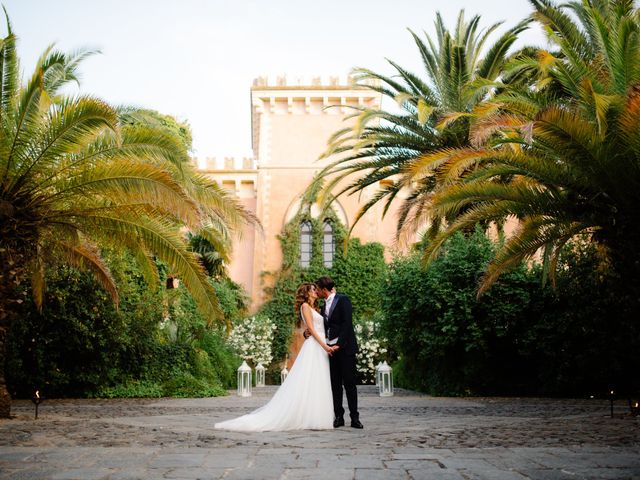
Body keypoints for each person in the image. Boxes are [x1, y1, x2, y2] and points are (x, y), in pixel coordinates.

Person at [215, 283, 336, 431]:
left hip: (320, 346)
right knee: (309, 380)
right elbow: (310, 329)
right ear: (307, 293)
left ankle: (315, 415)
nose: (316, 291)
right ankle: (309, 417)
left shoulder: (315, 308)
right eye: (313, 289)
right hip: (316, 347)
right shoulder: (305, 306)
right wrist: (325, 346)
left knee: (317, 381)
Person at [315, 276, 363, 429]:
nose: (316, 291)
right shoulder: (323, 306)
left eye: (317, 289)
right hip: (330, 351)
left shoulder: (343, 300)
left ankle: (354, 418)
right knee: (335, 385)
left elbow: (347, 323)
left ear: (324, 290)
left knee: (349, 384)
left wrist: (339, 344)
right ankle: (339, 417)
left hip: (345, 349)